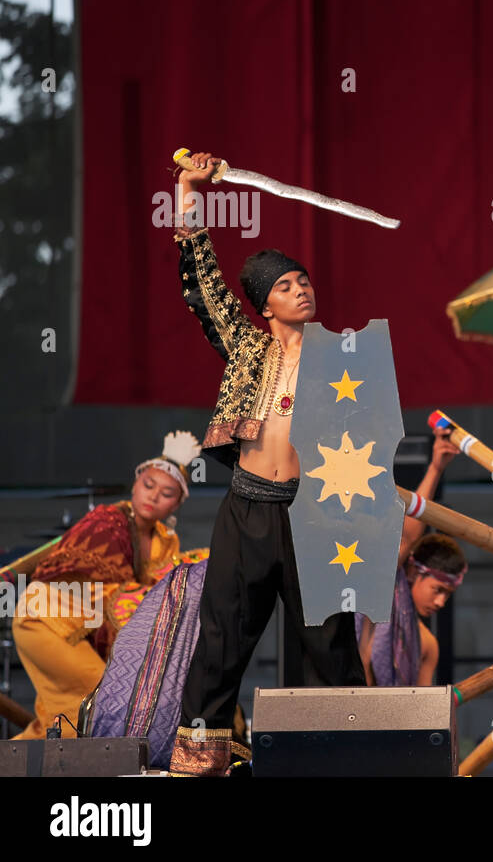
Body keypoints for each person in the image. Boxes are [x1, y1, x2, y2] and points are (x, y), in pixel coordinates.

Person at [168, 151, 365, 775]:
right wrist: (188, 190)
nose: (300, 289)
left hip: (313, 515)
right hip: (249, 506)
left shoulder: (342, 356)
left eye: (304, 281)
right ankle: (201, 759)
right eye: (284, 285)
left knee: (330, 644)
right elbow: (201, 279)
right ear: (264, 304)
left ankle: (342, 759)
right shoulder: (244, 345)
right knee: (222, 635)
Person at [11, 431, 200, 740]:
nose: (152, 496)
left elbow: (155, 594)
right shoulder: (107, 520)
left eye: (166, 493)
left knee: (55, 723)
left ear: (177, 504)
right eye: (148, 485)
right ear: (135, 484)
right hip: (46, 619)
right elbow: (121, 596)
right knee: (100, 706)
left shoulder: (166, 543)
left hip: (77, 629)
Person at [356, 426, 464, 686]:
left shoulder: (428, 645)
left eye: (447, 594)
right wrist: (436, 469)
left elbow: (421, 718)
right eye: (438, 589)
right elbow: (407, 538)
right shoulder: (371, 592)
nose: (440, 603)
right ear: (414, 571)